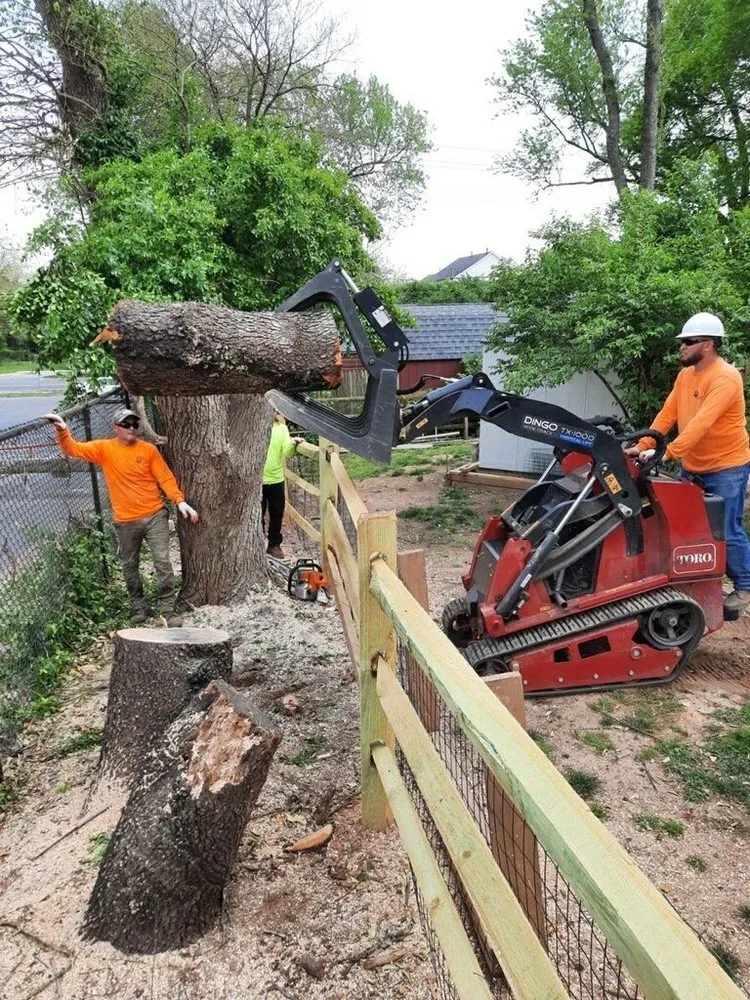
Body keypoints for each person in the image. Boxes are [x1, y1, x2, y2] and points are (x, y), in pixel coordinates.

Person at [625, 312, 750, 614]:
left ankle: (744, 586)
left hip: (726, 467)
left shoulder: (725, 378)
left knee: (725, 528)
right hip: (693, 465)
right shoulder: (686, 376)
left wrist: (668, 453)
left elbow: (702, 423)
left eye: (689, 341)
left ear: (708, 344)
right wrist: (643, 445)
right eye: (682, 341)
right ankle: (697, 582)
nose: (682, 346)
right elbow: (667, 415)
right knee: (690, 526)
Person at [42, 406, 199, 626]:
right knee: (129, 565)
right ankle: (138, 606)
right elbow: (73, 449)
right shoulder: (104, 449)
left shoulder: (148, 450)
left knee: (163, 561)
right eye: (126, 424)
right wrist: (62, 429)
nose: (131, 427)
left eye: (134, 423)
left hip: (154, 515)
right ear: (115, 427)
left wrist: (179, 501)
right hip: (126, 521)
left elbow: (165, 478)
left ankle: (167, 608)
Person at [262, 412, 302, 559]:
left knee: (277, 513)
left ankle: (274, 545)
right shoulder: (254, 426)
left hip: (276, 478)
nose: (276, 412)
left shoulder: (282, 428)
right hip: (257, 480)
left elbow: (287, 452)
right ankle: (258, 543)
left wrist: (293, 443)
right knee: (257, 513)